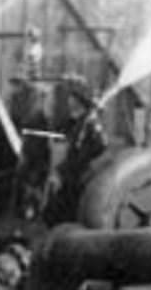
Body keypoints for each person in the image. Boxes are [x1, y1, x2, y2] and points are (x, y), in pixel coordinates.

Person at [43, 74, 107, 224]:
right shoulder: (78, 123)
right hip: (70, 172)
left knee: (66, 207)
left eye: (73, 97)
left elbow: (99, 145)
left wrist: (69, 168)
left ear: (80, 101)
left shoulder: (89, 123)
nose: (70, 101)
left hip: (78, 175)